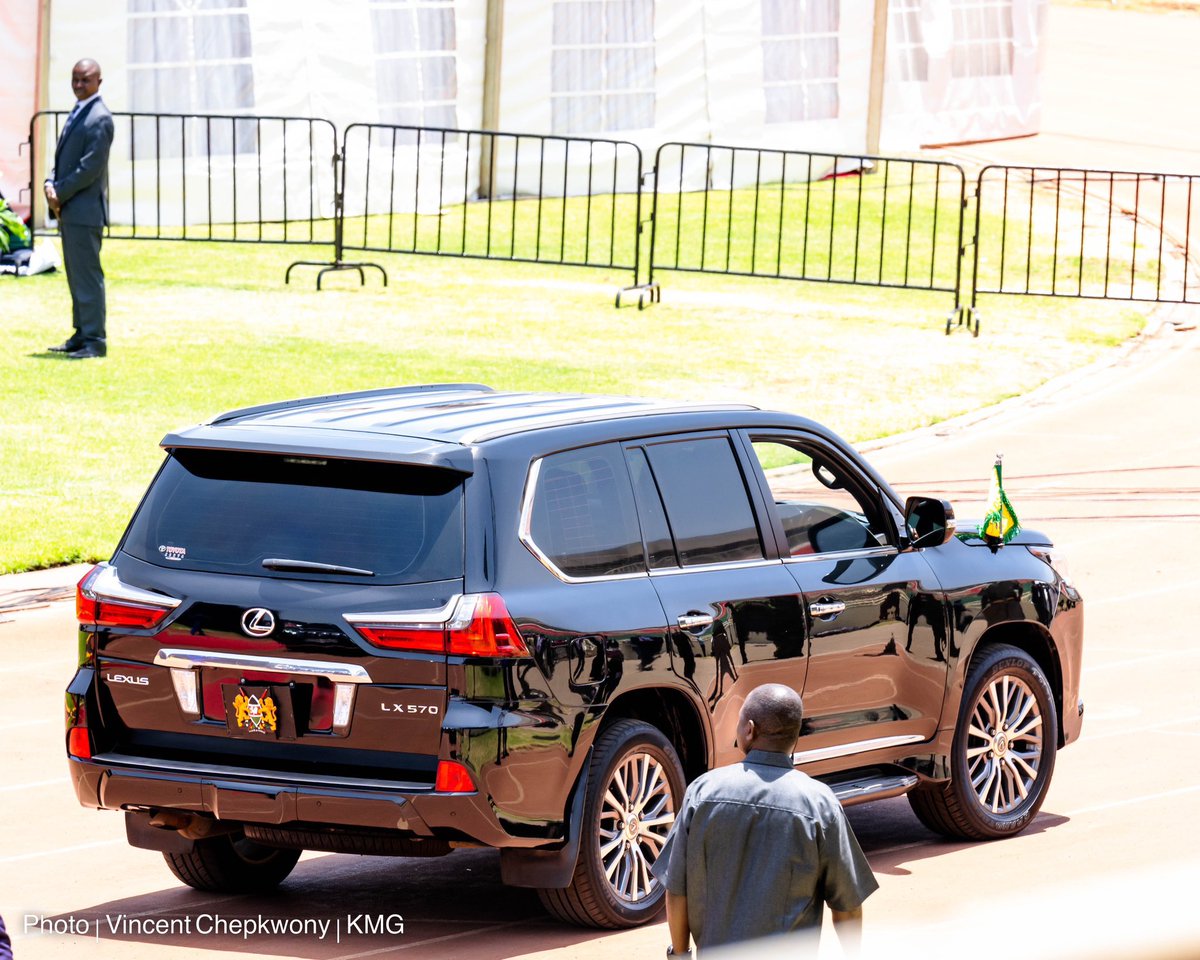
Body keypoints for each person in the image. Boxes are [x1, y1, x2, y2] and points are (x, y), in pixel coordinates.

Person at [652, 684, 878, 956]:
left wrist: (680, 953)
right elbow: (847, 904)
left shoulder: (701, 793)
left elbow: (677, 889)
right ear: (795, 737)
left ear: (749, 729)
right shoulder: (820, 804)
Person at [44, 58, 113, 360]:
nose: (78, 85)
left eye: (84, 80)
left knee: (87, 276)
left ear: (99, 81)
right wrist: (50, 183)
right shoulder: (79, 111)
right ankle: (80, 333)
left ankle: (95, 341)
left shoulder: (100, 117)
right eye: (74, 79)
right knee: (75, 275)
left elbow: (90, 169)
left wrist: (58, 192)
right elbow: (64, 159)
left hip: (84, 211)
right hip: (70, 209)